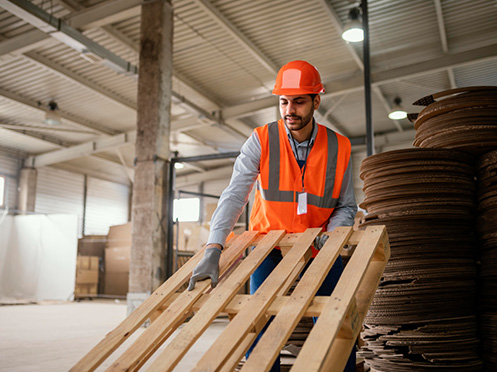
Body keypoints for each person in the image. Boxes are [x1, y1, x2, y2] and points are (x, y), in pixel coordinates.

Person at [187, 60, 357, 372]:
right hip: (268, 247)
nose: (289, 110)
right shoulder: (261, 140)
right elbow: (235, 193)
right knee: (260, 326)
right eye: (283, 101)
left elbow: (346, 206)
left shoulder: (339, 146)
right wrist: (214, 247)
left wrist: (334, 238)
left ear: (316, 101)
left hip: (319, 247)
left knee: (335, 322)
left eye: (299, 101)